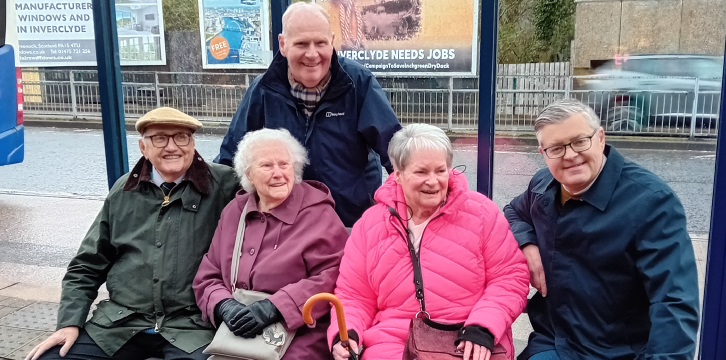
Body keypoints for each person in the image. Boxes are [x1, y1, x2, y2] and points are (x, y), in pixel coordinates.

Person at [26, 107, 239, 360]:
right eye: (159, 138)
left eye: (181, 137)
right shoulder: (124, 191)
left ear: (192, 144)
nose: (172, 147)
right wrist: (69, 322)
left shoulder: (224, 185)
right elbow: (86, 265)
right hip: (120, 323)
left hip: (191, 327)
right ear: (143, 147)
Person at [503, 99, 700, 360]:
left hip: (617, 351)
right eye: (557, 148)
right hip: (554, 342)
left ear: (600, 138)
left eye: (579, 141)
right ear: (543, 153)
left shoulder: (651, 202)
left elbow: (674, 303)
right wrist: (527, 244)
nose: (570, 155)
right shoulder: (542, 187)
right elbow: (513, 212)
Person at [329, 123, 530, 360]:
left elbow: (509, 278)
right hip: (394, 338)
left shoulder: (481, 213)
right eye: (422, 172)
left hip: (468, 335)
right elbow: (354, 296)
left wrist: (484, 326)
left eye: (440, 170)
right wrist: (347, 334)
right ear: (398, 174)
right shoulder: (369, 225)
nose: (433, 181)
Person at [215, 1, 402, 227]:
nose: (312, 54)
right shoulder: (263, 90)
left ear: (332, 42)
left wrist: (401, 207)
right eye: (302, 43)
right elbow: (230, 158)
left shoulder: (358, 83)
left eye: (320, 43)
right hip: (282, 229)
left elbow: (397, 153)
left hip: (349, 224)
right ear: (283, 45)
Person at [194, 128, 349, 358]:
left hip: (299, 334)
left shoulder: (318, 213)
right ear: (249, 174)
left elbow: (334, 275)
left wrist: (275, 307)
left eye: (285, 165)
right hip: (235, 333)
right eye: (267, 166)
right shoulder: (234, 212)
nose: (278, 173)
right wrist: (223, 305)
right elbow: (208, 275)